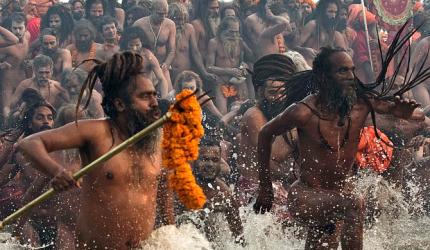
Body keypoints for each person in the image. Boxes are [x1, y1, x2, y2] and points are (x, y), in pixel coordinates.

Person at [254, 47, 424, 249]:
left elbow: (416, 115)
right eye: (342, 71)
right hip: (307, 195)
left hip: (339, 194)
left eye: (352, 70)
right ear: (323, 77)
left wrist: (405, 112)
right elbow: (265, 133)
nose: (351, 76)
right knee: (353, 203)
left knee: (324, 244)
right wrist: (265, 188)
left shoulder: (362, 105)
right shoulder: (302, 112)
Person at [18, 51, 173, 249]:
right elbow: (29, 144)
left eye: (154, 95)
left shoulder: (156, 139)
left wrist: (172, 234)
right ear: (119, 104)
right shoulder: (95, 132)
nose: (154, 104)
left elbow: (164, 200)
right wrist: (56, 172)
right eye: (144, 97)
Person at [237, 54, 297, 219]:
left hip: (278, 187)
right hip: (254, 189)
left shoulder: (285, 115)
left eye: (284, 92)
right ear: (260, 91)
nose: (279, 98)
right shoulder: (253, 115)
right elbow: (269, 158)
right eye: (273, 92)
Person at [192, 136, 245, 245]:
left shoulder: (223, 192)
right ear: (194, 160)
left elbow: (239, 237)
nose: (210, 165)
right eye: (205, 159)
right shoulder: (182, 186)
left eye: (215, 160)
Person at [207, 16, 253, 114]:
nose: (234, 35)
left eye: (237, 32)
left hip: (238, 81)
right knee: (222, 113)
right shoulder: (214, 43)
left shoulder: (240, 41)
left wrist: (244, 65)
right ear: (223, 30)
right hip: (221, 82)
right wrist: (229, 71)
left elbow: (250, 57)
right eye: (231, 32)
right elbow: (209, 67)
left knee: (245, 110)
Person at [133, 0, 176, 91]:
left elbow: (172, 50)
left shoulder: (170, 24)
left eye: (165, 14)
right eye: (160, 14)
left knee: (169, 97)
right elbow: (132, 47)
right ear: (151, 10)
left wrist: (166, 65)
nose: (163, 17)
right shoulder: (139, 24)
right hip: (144, 67)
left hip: (162, 66)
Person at [168, 3, 216, 83]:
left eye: (182, 19)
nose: (180, 22)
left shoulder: (189, 29)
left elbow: (195, 53)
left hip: (185, 75)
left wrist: (204, 72)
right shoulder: (165, 30)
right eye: (177, 19)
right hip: (169, 75)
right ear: (169, 17)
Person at [119, 26, 169, 97]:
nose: (134, 48)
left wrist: (164, 99)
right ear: (126, 45)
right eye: (131, 45)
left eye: (137, 45)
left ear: (142, 43)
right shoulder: (121, 57)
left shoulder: (148, 56)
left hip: (146, 93)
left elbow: (161, 79)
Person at [0, 12, 30, 117]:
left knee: (25, 110)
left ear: (25, 28)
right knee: (6, 111)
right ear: (10, 28)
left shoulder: (27, 36)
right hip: (7, 83)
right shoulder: (5, 45)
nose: (18, 31)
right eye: (14, 28)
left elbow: (31, 49)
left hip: (23, 79)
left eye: (20, 28)